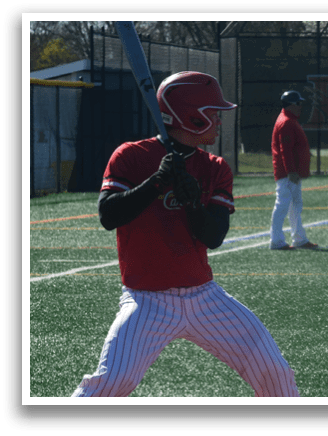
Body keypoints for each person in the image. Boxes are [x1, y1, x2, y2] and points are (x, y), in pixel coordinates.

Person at [71, 72, 300, 397]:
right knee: (110, 382)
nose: (219, 121)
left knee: (273, 371)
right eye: (214, 113)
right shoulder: (131, 156)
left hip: (204, 297)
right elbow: (109, 216)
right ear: (192, 116)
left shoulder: (216, 167)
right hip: (146, 300)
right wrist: (156, 183)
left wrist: (193, 203)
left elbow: (214, 236)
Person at [269, 90, 319, 250]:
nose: (301, 106)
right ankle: (276, 241)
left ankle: (299, 239)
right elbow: (286, 150)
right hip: (288, 174)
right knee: (283, 205)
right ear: (291, 105)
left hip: (292, 173)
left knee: (295, 206)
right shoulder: (286, 122)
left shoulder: (289, 120)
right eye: (298, 103)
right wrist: (291, 171)